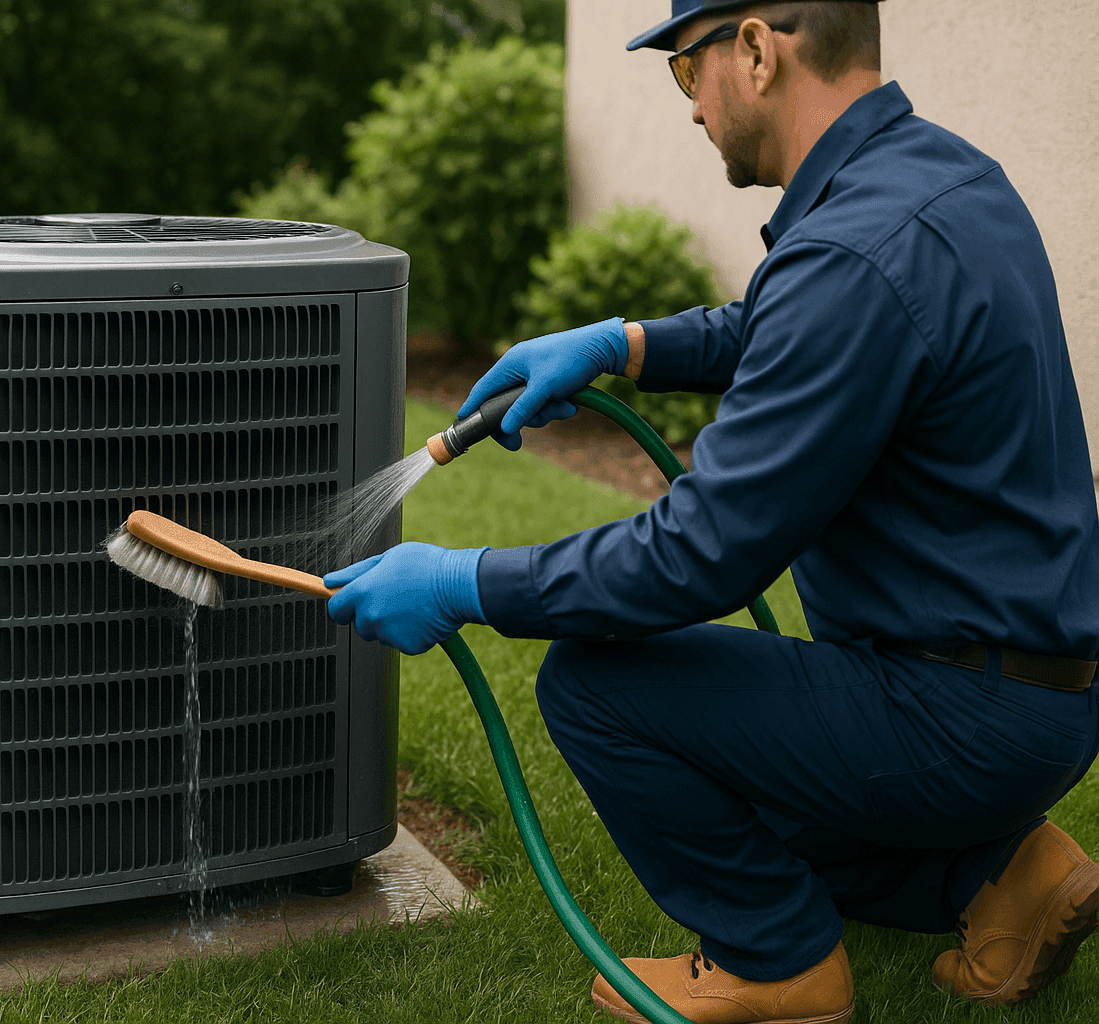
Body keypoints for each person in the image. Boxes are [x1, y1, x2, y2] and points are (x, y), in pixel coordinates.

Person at [322, 1, 1099, 1021]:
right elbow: (780, 325)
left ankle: (778, 964)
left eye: (688, 73)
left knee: (602, 689)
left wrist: (463, 581)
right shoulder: (940, 179)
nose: (690, 108)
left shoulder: (853, 251)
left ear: (755, 49)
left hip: (958, 710)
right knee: (757, 796)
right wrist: (625, 342)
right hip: (1038, 692)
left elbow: (694, 558)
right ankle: (1005, 872)